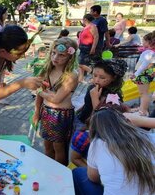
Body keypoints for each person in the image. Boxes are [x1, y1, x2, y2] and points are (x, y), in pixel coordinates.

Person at [73, 108, 155, 195]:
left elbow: (93, 178)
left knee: (78, 172)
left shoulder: (96, 145)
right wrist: (143, 121)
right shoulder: (150, 139)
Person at [33, 37, 79, 166]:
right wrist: (37, 112)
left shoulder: (71, 75)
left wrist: (39, 91)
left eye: (61, 55)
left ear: (70, 57)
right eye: (53, 53)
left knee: (59, 148)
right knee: (47, 146)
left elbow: (57, 99)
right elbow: (41, 96)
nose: (55, 57)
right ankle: (49, 169)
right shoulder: (48, 69)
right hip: (46, 112)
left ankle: (60, 174)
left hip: (61, 115)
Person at [75, 59, 128, 130]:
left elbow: (102, 116)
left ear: (114, 78)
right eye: (94, 75)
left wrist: (95, 98)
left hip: (93, 126)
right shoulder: (92, 87)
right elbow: (87, 104)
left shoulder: (113, 95)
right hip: (81, 119)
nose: (96, 80)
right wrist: (78, 111)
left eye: (102, 77)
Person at [129, 31, 155, 116]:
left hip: (143, 73)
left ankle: (143, 111)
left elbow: (143, 65)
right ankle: (142, 109)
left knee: (143, 93)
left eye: (143, 41)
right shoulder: (151, 52)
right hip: (147, 73)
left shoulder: (148, 52)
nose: (142, 42)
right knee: (145, 93)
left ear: (149, 42)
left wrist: (136, 74)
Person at [78, 14, 99, 83]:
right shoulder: (86, 27)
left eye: (83, 19)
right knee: (81, 63)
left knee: (80, 64)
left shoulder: (92, 26)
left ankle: (94, 74)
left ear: (85, 19)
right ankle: (80, 79)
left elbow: (96, 37)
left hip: (87, 47)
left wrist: (93, 48)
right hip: (83, 47)